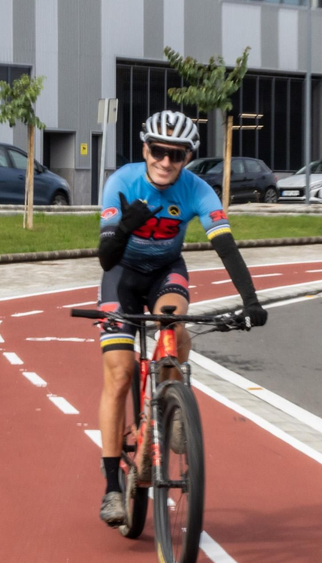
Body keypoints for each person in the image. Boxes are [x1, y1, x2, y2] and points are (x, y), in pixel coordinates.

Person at [94, 110, 266, 526]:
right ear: (145, 149)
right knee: (119, 374)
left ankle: (171, 407)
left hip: (165, 272)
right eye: (159, 151)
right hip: (121, 276)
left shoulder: (197, 190)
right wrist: (125, 227)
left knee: (173, 325)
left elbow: (226, 246)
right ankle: (112, 488)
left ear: (188, 157)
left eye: (177, 154)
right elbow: (106, 260)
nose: (166, 161)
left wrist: (251, 301)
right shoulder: (122, 182)